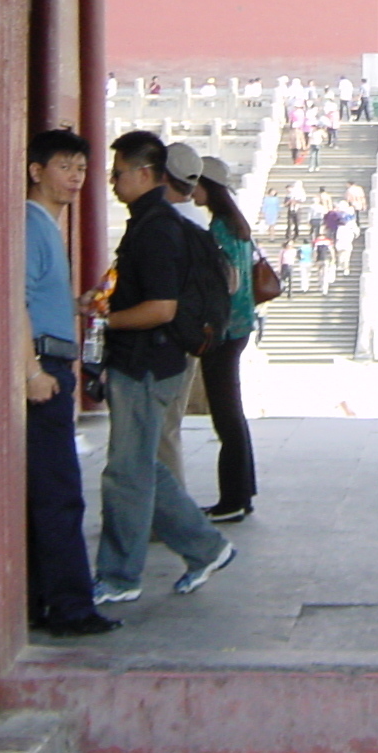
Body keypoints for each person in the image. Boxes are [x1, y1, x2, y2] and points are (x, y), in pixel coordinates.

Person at [93, 130, 237, 606]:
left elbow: (162, 308)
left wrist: (107, 318)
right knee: (143, 468)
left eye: (118, 174)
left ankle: (119, 575)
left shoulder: (155, 230)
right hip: (152, 360)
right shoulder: (155, 222)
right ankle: (205, 547)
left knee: (126, 474)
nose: (112, 183)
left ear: (144, 174)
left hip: (146, 362)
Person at [22, 128, 121, 637]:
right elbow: (14, 301)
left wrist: (77, 306)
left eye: (80, 168)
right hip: (44, 373)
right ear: (36, 171)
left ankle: (45, 599)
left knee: (49, 490)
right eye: (64, 166)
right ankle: (68, 606)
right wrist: (31, 372)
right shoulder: (31, 224)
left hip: (53, 364)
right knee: (59, 491)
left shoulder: (46, 226)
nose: (75, 177)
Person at [195, 156, 261, 525]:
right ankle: (242, 492)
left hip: (223, 329)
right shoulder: (238, 227)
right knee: (232, 414)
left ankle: (232, 498)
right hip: (241, 326)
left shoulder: (220, 230)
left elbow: (226, 282)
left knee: (226, 417)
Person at [152, 143, 211, 486]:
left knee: (163, 429)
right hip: (184, 334)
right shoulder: (194, 219)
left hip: (170, 335)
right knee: (165, 426)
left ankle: (171, 514)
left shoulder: (174, 223)